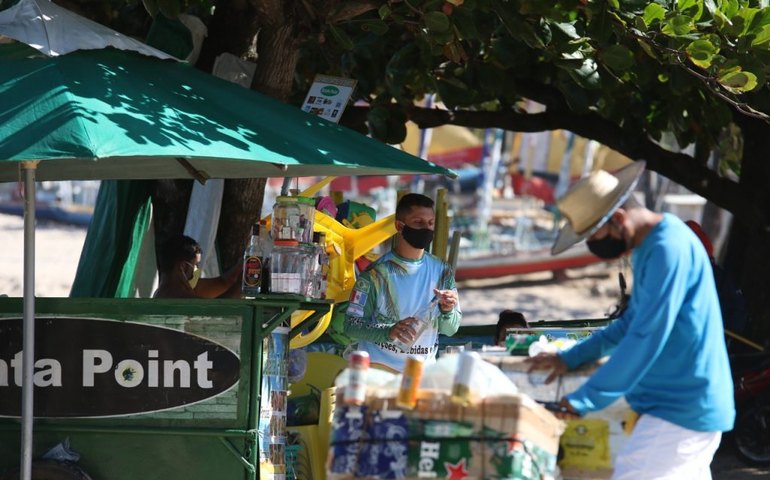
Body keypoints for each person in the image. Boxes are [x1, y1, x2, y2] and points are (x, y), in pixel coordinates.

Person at [527, 161, 735, 479]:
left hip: (680, 410)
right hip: (681, 407)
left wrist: (583, 399)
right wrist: (568, 359)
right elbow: (629, 324)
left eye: (595, 236)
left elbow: (645, 336)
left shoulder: (668, 248)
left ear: (620, 219)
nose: (596, 247)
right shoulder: (650, 246)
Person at [343, 193, 462, 372]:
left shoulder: (442, 271)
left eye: (430, 223)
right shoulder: (375, 274)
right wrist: (389, 332)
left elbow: (450, 329)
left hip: (421, 373)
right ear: (400, 226)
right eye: (418, 222)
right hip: (378, 371)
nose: (426, 229)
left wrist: (447, 310)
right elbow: (351, 325)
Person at [153, 234, 241, 299]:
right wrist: (241, 283)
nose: (197, 270)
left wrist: (242, 264)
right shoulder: (179, 297)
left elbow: (224, 282)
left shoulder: (163, 293)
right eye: (195, 265)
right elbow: (221, 310)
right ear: (183, 267)